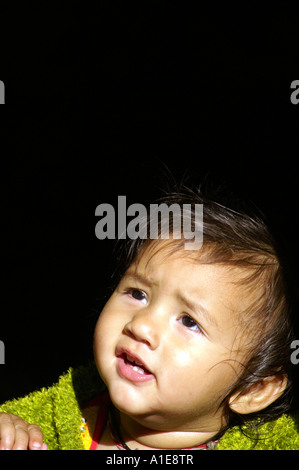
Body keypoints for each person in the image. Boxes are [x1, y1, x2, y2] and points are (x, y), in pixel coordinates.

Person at [0, 185, 296, 450]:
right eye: (137, 294)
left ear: (253, 389)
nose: (140, 325)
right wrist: (10, 429)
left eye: (189, 321)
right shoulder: (50, 422)